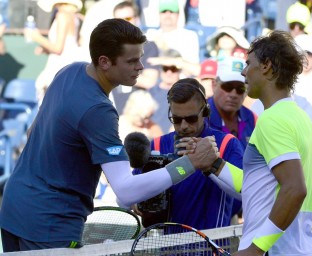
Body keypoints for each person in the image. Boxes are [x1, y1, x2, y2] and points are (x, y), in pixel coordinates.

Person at [0, 18, 219, 252]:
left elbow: (35, 131)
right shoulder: (99, 111)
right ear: (104, 62)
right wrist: (190, 163)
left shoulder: (69, 71)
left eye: (140, 58)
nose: (141, 67)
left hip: (13, 210)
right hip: (49, 226)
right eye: (132, 61)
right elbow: (126, 192)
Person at [205, 30, 312, 255]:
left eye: (248, 64)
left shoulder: (272, 119)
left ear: (266, 65)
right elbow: (260, 184)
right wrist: (214, 165)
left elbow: (295, 189)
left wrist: (256, 249)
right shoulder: (299, 116)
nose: (245, 72)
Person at [133, 78, 244, 230]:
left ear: (205, 111)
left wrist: (212, 164)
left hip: (212, 246)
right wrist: (137, 203)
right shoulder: (157, 145)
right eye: (177, 119)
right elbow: (130, 193)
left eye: (191, 119)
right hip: (169, 247)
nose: (184, 126)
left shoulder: (227, 143)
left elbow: (245, 192)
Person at [26, 0, 83, 103]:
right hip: (68, 67)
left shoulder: (62, 15)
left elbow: (58, 49)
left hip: (60, 67)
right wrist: (45, 49)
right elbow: (70, 45)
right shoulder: (75, 17)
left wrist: (36, 37)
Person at [208, 57, 257, 150]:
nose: (233, 94)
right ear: (214, 85)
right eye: (228, 86)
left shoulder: (252, 119)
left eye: (240, 89)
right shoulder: (198, 118)